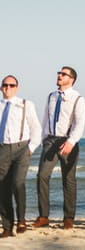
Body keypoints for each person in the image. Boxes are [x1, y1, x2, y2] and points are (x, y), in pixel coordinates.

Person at [34, 66, 85, 230]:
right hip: (50, 141)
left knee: (68, 180)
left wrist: (71, 142)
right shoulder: (51, 96)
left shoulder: (78, 98)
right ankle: (43, 217)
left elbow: (80, 123)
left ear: (71, 79)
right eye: (59, 73)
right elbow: (45, 118)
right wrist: (43, 138)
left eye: (63, 74)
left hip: (68, 141)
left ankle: (68, 218)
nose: (59, 76)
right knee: (42, 176)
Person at [0, 75, 42, 238]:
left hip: (22, 148)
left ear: (17, 87)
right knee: (2, 188)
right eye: (5, 85)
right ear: (1, 87)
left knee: (18, 183)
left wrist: (30, 148)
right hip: (2, 148)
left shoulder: (26, 105)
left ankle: (22, 220)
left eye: (11, 85)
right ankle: (7, 227)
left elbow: (36, 129)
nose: (8, 88)